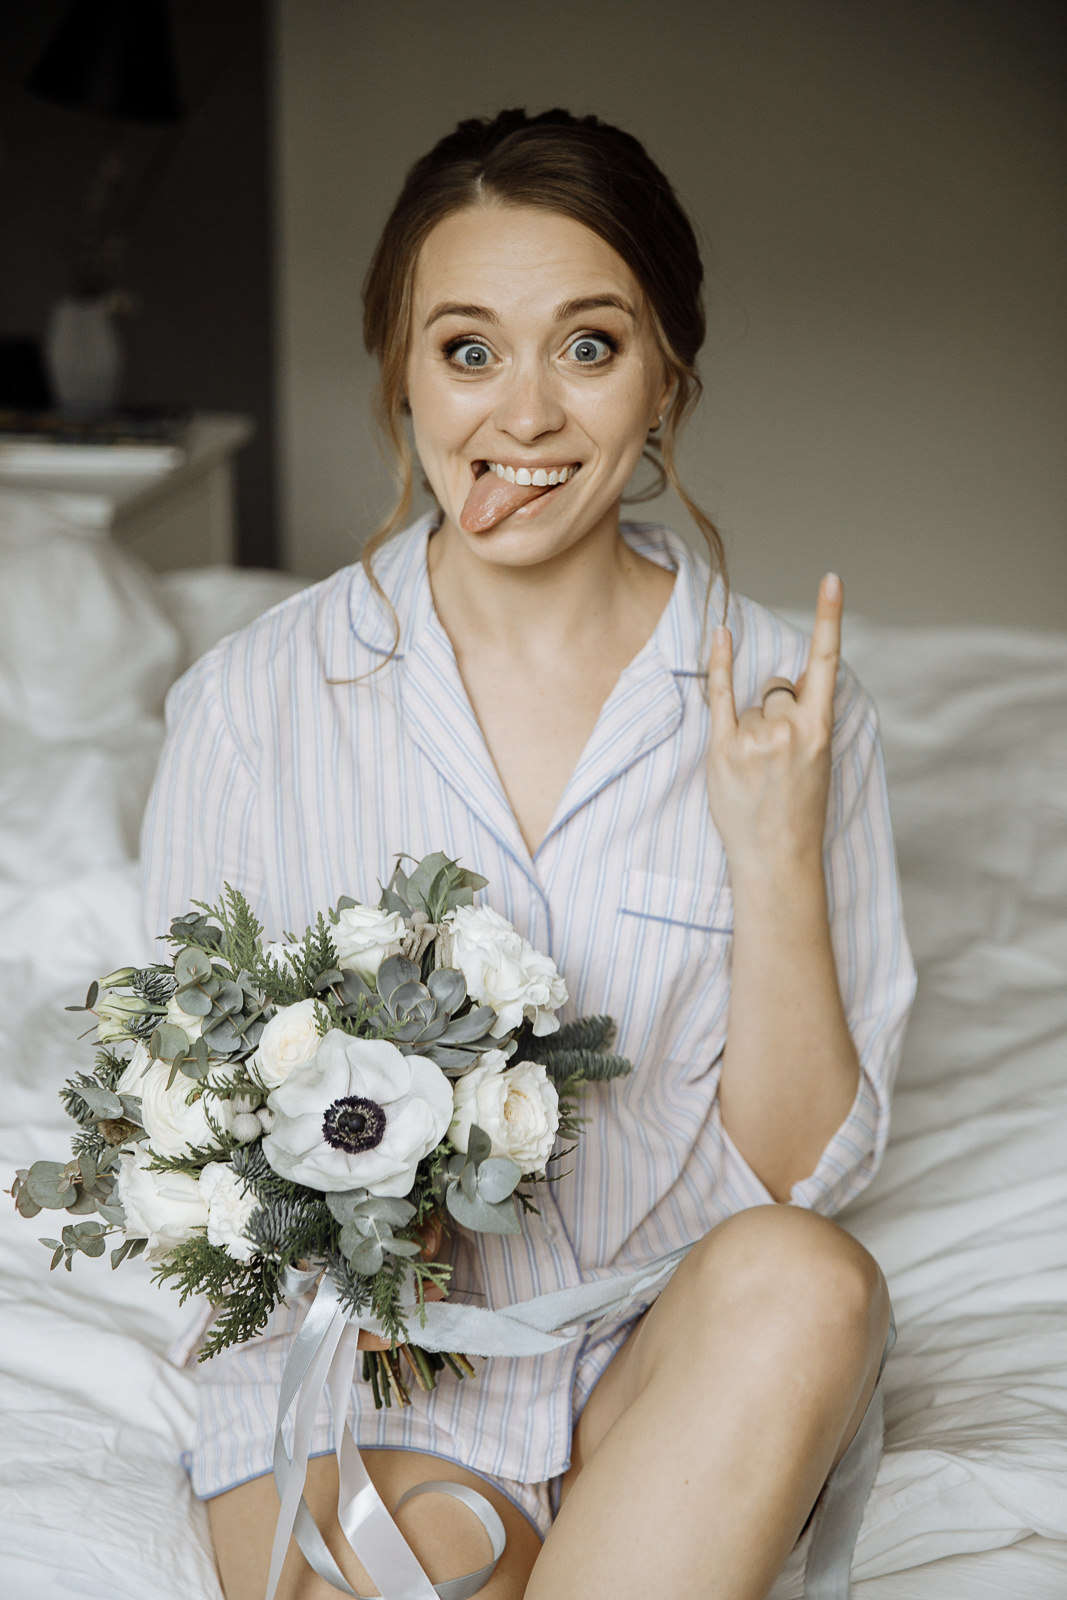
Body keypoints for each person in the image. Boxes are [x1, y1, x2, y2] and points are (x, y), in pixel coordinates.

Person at [142, 108, 915, 1600]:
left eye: (589, 345)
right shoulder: (252, 702)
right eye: (469, 350)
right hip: (379, 1365)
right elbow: (182, 1122)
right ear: (401, 373)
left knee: (811, 1282)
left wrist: (772, 851)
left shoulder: (786, 706)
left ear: (667, 377)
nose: (526, 418)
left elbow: (799, 1180)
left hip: (661, 1344)